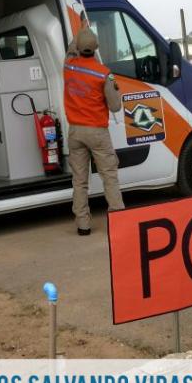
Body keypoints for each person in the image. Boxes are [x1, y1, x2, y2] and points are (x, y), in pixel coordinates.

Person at [64, 27, 125, 236]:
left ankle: (83, 225)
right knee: (109, 176)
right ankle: (117, 220)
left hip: (75, 132)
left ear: (79, 48)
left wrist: (81, 30)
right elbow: (116, 106)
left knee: (79, 181)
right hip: (97, 132)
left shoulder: (68, 66)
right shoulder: (103, 74)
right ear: (96, 48)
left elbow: (71, 48)